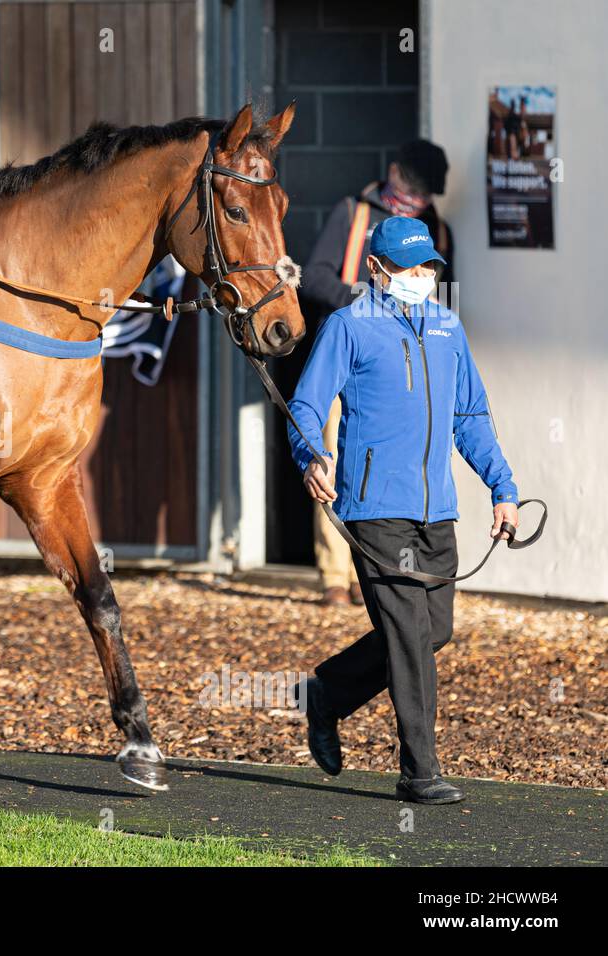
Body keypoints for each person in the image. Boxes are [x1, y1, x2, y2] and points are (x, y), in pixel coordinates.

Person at [286, 216, 519, 805]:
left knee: (433, 630)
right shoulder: (347, 327)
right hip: (375, 509)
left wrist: (503, 488)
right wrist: (314, 456)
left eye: (428, 269)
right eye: (410, 269)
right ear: (376, 270)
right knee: (410, 637)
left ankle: (327, 693)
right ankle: (420, 772)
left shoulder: (447, 328)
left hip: (436, 509)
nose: (421, 277)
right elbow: (307, 405)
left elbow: (470, 417)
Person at [300, 139, 455, 606]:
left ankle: (378, 566)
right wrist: (369, 302)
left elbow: (446, 300)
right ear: (394, 173)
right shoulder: (354, 214)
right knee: (330, 455)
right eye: (413, 187)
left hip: (407, 368)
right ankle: (334, 574)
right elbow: (316, 276)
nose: (418, 200)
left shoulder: (439, 232)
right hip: (349, 355)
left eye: (425, 193)